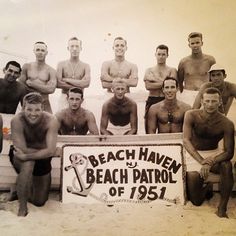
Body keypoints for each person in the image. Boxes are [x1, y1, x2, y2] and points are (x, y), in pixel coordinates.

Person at [183, 87, 235, 218]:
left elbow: (229, 152)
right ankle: (208, 189)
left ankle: (222, 208)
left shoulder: (227, 123)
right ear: (202, 101)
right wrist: (201, 161)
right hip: (194, 155)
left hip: (214, 154)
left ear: (219, 103)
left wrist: (210, 162)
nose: (210, 104)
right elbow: (186, 141)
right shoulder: (191, 115)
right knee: (196, 201)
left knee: (227, 165)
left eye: (214, 101)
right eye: (207, 101)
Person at [10, 92, 59, 216]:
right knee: (28, 164)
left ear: (42, 108)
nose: (33, 113)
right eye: (29, 109)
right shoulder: (17, 120)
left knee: (40, 201)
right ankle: (22, 208)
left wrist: (48, 151)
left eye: (37, 109)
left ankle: (17, 190)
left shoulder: (51, 120)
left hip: (40, 158)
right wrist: (46, 151)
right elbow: (22, 149)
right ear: (23, 108)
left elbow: (50, 151)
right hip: (22, 157)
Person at [144, 45, 177, 133]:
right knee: (149, 130)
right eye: (159, 54)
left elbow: (171, 84)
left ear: (167, 55)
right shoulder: (149, 70)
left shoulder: (172, 70)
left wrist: (154, 79)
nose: (161, 57)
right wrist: (164, 81)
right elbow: (148, 86)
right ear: (155, 54)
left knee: (167, 128)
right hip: (152, 99)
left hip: (166, 100)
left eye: (163, 54)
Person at [178, 32, 215, 105]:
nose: (195, 45)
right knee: (188, 115)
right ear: (189, 45)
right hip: (188, 94)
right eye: (192, 43)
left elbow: (214, 80)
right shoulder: (183, 62)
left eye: (197, 42)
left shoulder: (210, 60)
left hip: (205, 94)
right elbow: (180, 81)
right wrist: (182, 96)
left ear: (202, 43)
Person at [19, 41, 57, 113]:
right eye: (38, 50)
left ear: (46, 52)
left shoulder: (51, 70)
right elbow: (21, 86)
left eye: (42, 50)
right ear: (34, 51)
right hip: (29, 102)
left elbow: (51, 89)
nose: (40, 52)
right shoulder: (27, 66)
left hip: (44, 103)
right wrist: (43, 88)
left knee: (50, 123)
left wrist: (32, 84)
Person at [56, 37, 91, 110]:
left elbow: (86, 83)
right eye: (72, 46)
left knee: (81, 121)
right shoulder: (61, 64)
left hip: (80, 98)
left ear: (81, 48)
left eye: (77, 46)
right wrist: (79, 84)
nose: (74, 49)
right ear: (68, 48)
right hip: (64, 97)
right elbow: (58, 84)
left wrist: (66, 79)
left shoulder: (85, 66)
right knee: (61, 120)